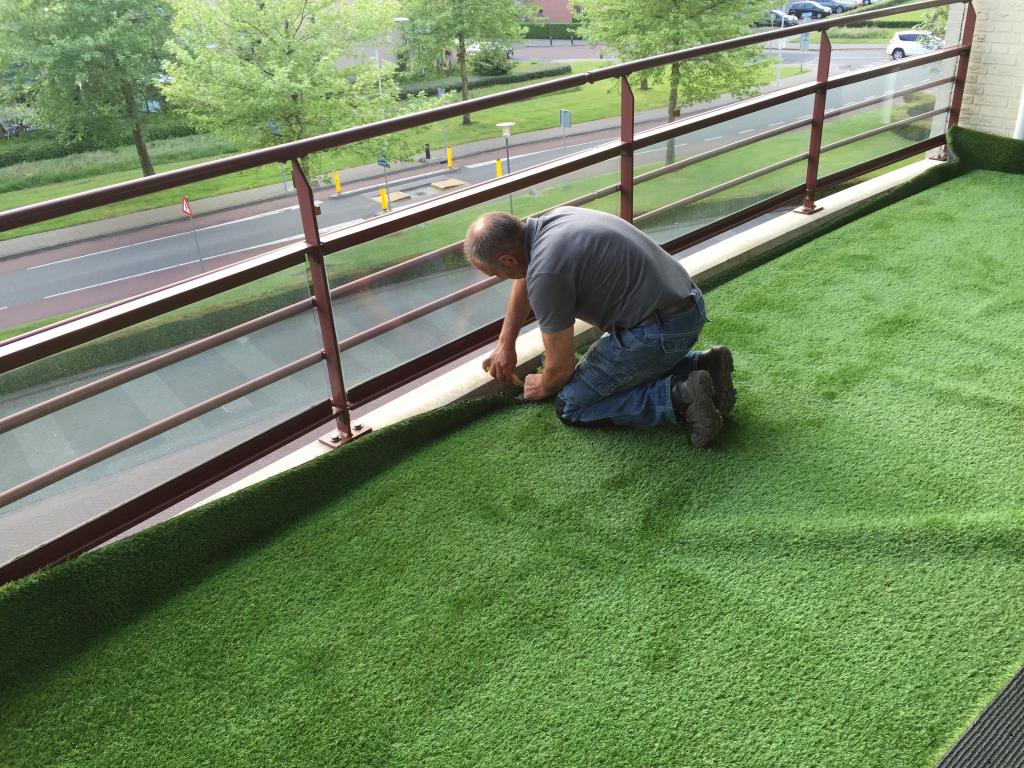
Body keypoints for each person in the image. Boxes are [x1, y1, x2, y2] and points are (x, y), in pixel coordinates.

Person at [464, 206, 735, 447]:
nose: (502, 278)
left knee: (571, 404)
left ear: (508, 260)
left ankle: (681, 395)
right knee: (611, 376)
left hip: (659, 333)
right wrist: (505, 342)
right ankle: (704, 365)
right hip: (688, 305)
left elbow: (560, 367)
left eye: (497, 274)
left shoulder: (546, 273)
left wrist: (543, 386)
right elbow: (525, 278)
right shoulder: (555, 219)